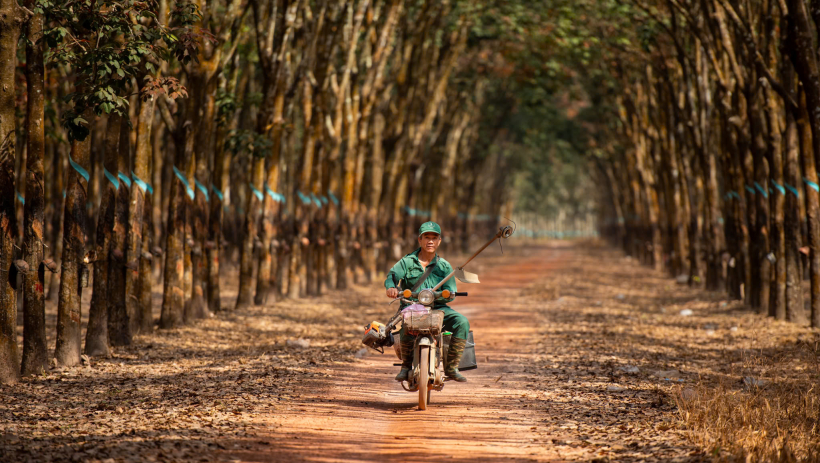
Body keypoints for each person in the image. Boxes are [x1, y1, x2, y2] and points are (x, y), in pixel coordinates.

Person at [384, 221, 469, 382]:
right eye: (426, 237)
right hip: (412, 307)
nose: (430, 241)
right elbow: (392, 276)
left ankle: (451, 367)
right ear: (420, 240)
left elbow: (451, 291)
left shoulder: (444, 266)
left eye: (434, 238)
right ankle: (406, 366)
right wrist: (391, 288)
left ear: (439, 241)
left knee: (462, 322)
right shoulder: (407, 262)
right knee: (407, 324)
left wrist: (447, 294)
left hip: (438, 308)